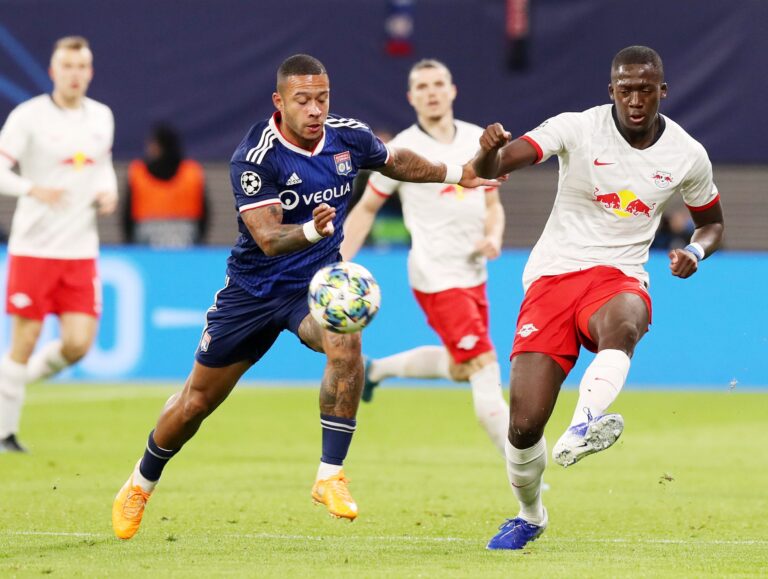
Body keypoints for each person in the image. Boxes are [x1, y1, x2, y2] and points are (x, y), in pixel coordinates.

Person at [111, 53, 495, 540]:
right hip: (253, 290)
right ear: (280, 102)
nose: (315, 110)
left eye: (322, 99)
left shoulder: (347, 137)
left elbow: (395, 161)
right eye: (303, 100)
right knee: (195, 403)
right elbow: (269, 238)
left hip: (315, 284)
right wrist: (313, 233)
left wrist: (457, 173)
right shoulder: (255, 156)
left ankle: (329, 475)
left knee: (345, 338)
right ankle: (140, 482)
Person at [473, 46, 724, 550]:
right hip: (552, 277)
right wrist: (489, 149)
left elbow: (712, 222)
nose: (635, 99)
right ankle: (530, 514)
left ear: (662, 92)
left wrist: (695, 252)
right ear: (611, 91)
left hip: (619, 274)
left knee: (627, 320)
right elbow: (498, 163)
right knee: (523, 426)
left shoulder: (687, 153)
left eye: (645, 89)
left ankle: (586, 422)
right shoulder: (576, 128)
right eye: (625, 89)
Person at [342, 59, 509, 454]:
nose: (431, 92)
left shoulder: (476, 140)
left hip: (474, 273)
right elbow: (366, 209)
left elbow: (493, 203)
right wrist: (337, 261)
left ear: (452, 90)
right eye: (422, 86)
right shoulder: (400, 150)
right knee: (485, 367)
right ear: (411, 97)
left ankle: (377, 369)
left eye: (438, 84)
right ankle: (524, 468)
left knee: (460, 366)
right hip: (435, 276)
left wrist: (495, 236)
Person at [0, 36, 118, 453]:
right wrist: (33, 188)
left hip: (80, 251)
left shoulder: (101, 117)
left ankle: (10, 382)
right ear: (53, 72)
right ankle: (5, 434)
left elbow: (102, 167)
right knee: (25, 339)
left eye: (81, 66)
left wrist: (109, 193)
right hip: (35, 248)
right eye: (67, 66)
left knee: (78, 344)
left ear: (90, 71)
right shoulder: (29, 117)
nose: (74, 73)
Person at [123, 123, 208, 247]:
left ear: (160, 146)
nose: (149, 148)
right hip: (187, 240)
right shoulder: (192, 172)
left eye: (153, 144)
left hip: (145, 241)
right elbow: (204, 216)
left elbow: (127, 217)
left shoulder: (137, 172)